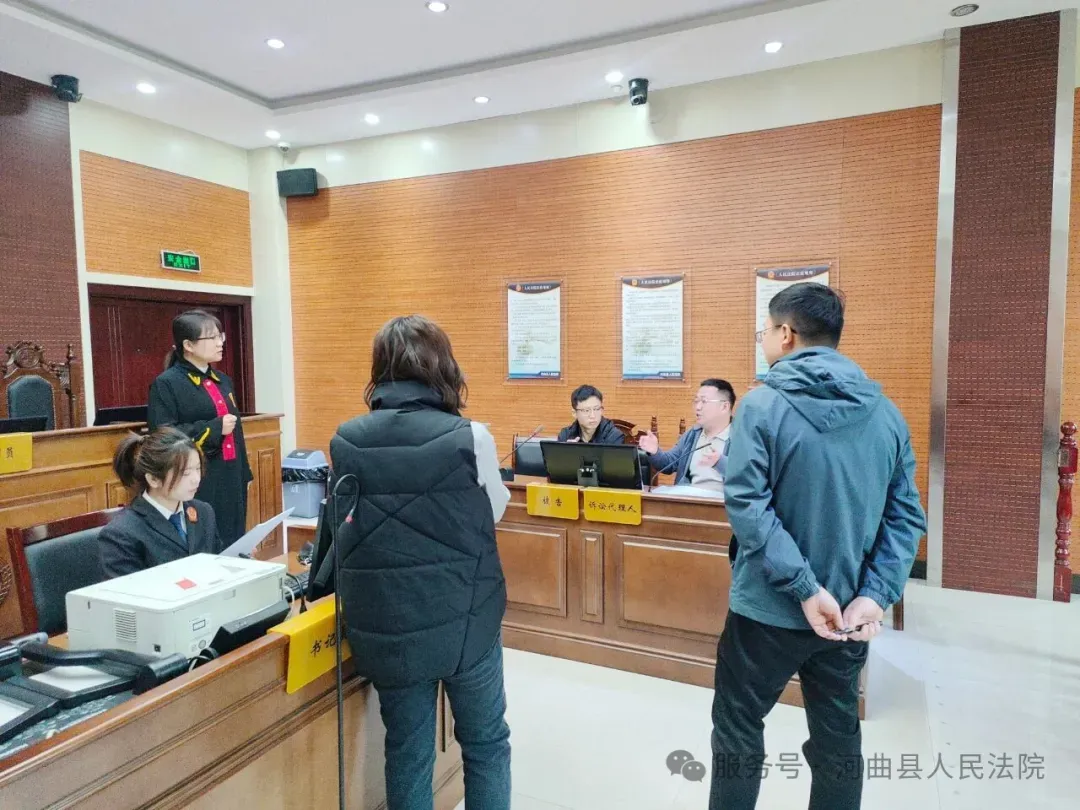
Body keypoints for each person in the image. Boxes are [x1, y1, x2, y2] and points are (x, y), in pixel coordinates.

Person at [710, 283, 926, 810]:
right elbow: (905, 517)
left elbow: (748, 505)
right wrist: (875, 595)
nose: (764, 339)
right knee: (837, 741)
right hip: (848, 613)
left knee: (738, 729)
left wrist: (805, 588)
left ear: (785, 334)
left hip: (766, 610)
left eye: (764, 330)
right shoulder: (887, 415)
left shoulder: (761, 407)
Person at [328, 315, 512, 810]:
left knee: (407, 753)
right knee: (486, 743)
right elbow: (494, 510)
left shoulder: (346, 438)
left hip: (389, 621)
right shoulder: (470, 435)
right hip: (466, 618)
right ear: (441, 366)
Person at [148, 310, 252, 545]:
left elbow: (237, 432)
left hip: (231, 474)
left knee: (234, 538)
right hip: (200, 476)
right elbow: (162, 435)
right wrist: (212, 429)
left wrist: (244, 472)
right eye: (212, 337)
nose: (219, 343)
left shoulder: (223, 380)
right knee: (205, 538)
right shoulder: (167, 383)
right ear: (188, 345)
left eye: (220, 336)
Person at [98, 427, 222, 578]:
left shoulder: (203, 511)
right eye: (185, 473)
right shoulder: (120, 534)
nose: (196, 479)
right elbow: (127, 590)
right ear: (153, 479)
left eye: (197, 468)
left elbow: (217, 563)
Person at [637, 378, 736, 491]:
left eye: (704, 401)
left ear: (724, 407)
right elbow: (669, 464)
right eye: (696, 401)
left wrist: (720, 462)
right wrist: (654, 451)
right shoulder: (693, 434)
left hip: (721, 499)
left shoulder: (741, 437)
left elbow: (747, 476)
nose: (698, 407)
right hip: (687, 497)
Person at [556, 384, 626, 444]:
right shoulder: (565, 435)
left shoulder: (614, 436)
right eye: (586, 410)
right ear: (574, 413)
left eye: (596, 409)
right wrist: (567, 451)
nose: (592, 416)